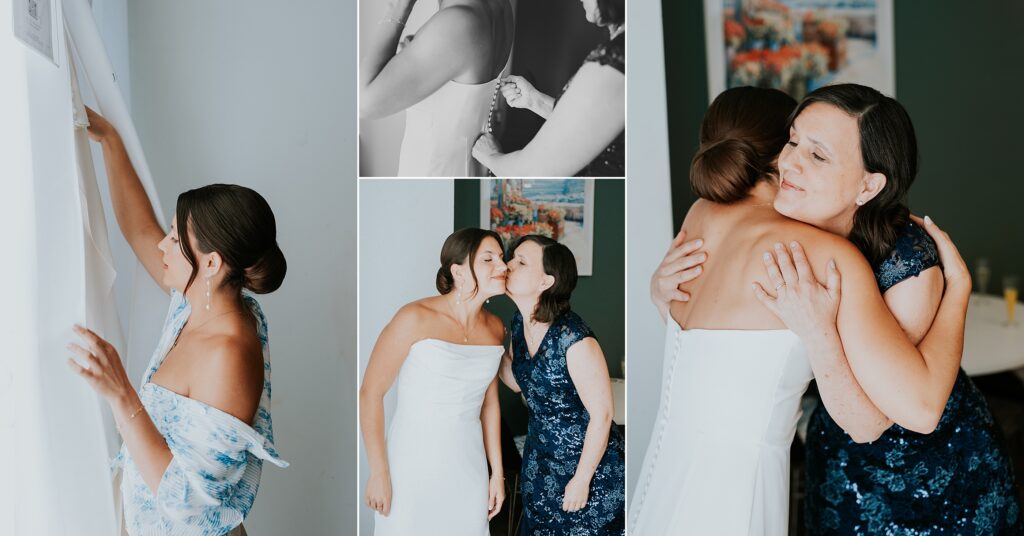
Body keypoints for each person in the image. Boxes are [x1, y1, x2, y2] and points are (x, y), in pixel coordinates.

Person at [629, 86, 981, 535]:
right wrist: (661, 294)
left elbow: (912, 411)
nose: (789, 162)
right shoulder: (818, 249)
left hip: (929, 475)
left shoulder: (898, 256)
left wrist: (959, 288)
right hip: (797, 467)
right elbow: (720, 357)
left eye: (818, 156)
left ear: (869, 185)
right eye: (792, 141)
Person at [70, 108, 288, 535]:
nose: (162, 245)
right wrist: (110, 140)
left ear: (211, 262)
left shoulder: (229, 354)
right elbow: (138, 228)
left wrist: (122, 396)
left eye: (174, 237)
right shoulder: (196, 301)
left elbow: (193, 508)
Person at [360, 228, 507, 534]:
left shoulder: (495, 328)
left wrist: (497, 474)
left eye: (502, 258)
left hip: (469, 468)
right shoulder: (414, 317)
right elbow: (370, 393)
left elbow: (490, 405)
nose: (503, 267)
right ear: (459, 272)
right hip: (411, 465)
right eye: (489, 259)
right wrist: (378, 472)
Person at [498, 235, 625, 534]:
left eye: (521, 261)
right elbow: (517, 383)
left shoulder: (574, 339)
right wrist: (488, 346)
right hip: (540, 464)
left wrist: (581, 480)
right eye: (512, 258)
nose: (508, 265)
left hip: (588, 471)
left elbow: (603, 415)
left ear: (545, 282)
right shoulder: (519, 322)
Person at [360, 0, 514, 176]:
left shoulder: (457, 22)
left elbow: (364, 103)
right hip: (469, 169)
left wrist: (399, 6)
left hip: (432, 172)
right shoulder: (500, 7)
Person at [472, 0, 624, 177]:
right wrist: (534, 100)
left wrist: (491, 156)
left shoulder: (616, 61)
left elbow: (530, 170)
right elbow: (593, 123)